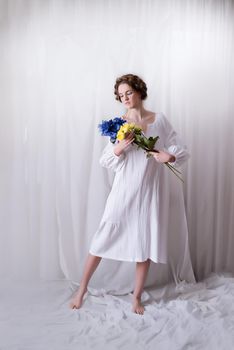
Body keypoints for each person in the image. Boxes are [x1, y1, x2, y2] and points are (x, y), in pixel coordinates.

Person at [69, 73, 190, 315]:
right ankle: (81, 289)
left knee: (144, 244)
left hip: (150, 192)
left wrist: (171, 156)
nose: (124, 98)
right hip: (124, 191)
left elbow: (178, 148)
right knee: (102, 238)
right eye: (121, 95)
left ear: (139, 91)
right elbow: (105, 159)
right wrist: (119, 148)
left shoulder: (160, 120)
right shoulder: (119, 124)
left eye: (128, 93)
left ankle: (136, 298)